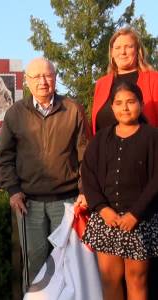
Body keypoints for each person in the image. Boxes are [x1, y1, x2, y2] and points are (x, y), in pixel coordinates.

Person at [0, 57, 89, 287]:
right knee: (35, 265)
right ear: (26, 81)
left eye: (47, 75)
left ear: (55, 78)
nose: (43, 81)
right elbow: (5, 157)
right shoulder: (15, 113)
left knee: (68, 263)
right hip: (29, 203)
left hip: (67, 202)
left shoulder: (73, 110)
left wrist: (84, 190)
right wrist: (13, 190)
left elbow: (86, 156)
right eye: (36, 76)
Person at [81, 82, 158, 300]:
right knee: (109, 279)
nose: (125, 108)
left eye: (131, 102)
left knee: (137, 279)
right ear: (112, 108)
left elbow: (156, 181)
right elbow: (88, 175)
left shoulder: (152, 137)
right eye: (119, 103)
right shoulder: (100, 139)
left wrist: (136, 213)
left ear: (141, 105)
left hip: (140, 221)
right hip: (107, 220)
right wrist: (102, 209)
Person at [92, 27, 158, 135]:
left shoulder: (154, 80)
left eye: (128, 47)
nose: (122, 52)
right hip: (106, 150)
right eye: (117, 48)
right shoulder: (101, 84)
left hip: (144, 150)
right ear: (112, 53)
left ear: (137, 50)